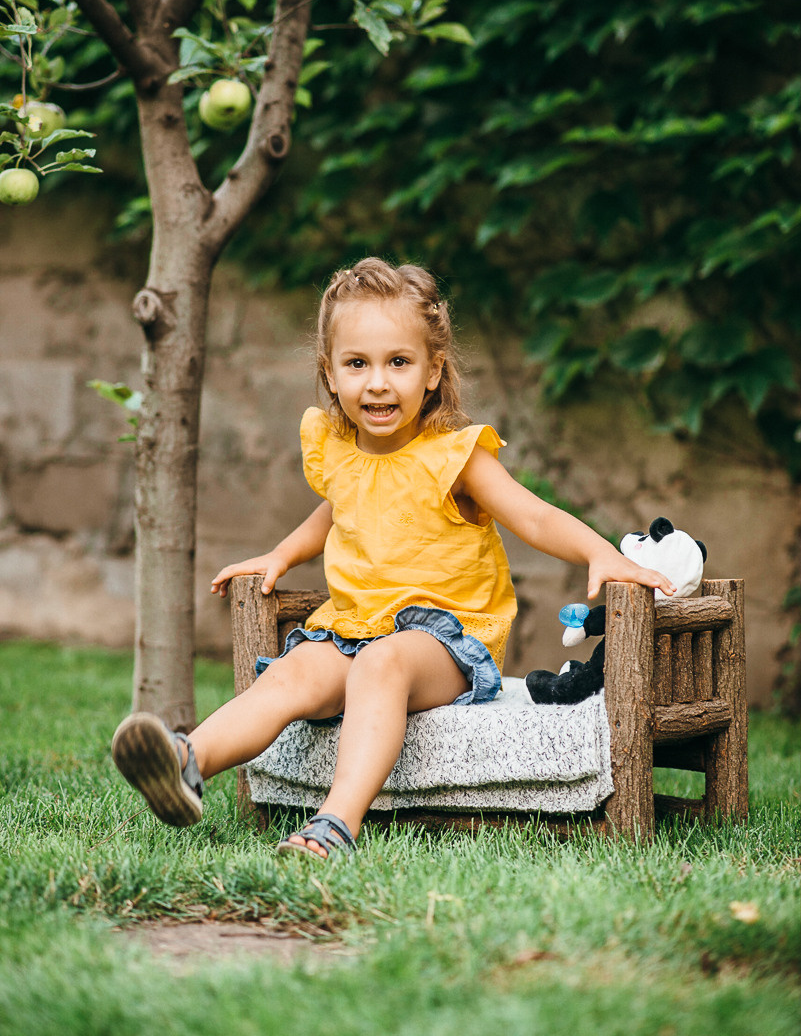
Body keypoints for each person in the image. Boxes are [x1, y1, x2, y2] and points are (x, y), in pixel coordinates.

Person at [112, 257, 675, 859]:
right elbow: (336, 512)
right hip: (354, 627)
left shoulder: (455, 456)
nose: (377, 383)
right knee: (293, 672)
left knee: (381, 664)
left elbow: (534, 516)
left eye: (398, 362)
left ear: (433, 371)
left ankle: (335, 824)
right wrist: (282, 554)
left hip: (448, 640)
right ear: (330, 373)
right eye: (357, 364)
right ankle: (187, 761)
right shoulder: (339, 451)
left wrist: (599, 552)